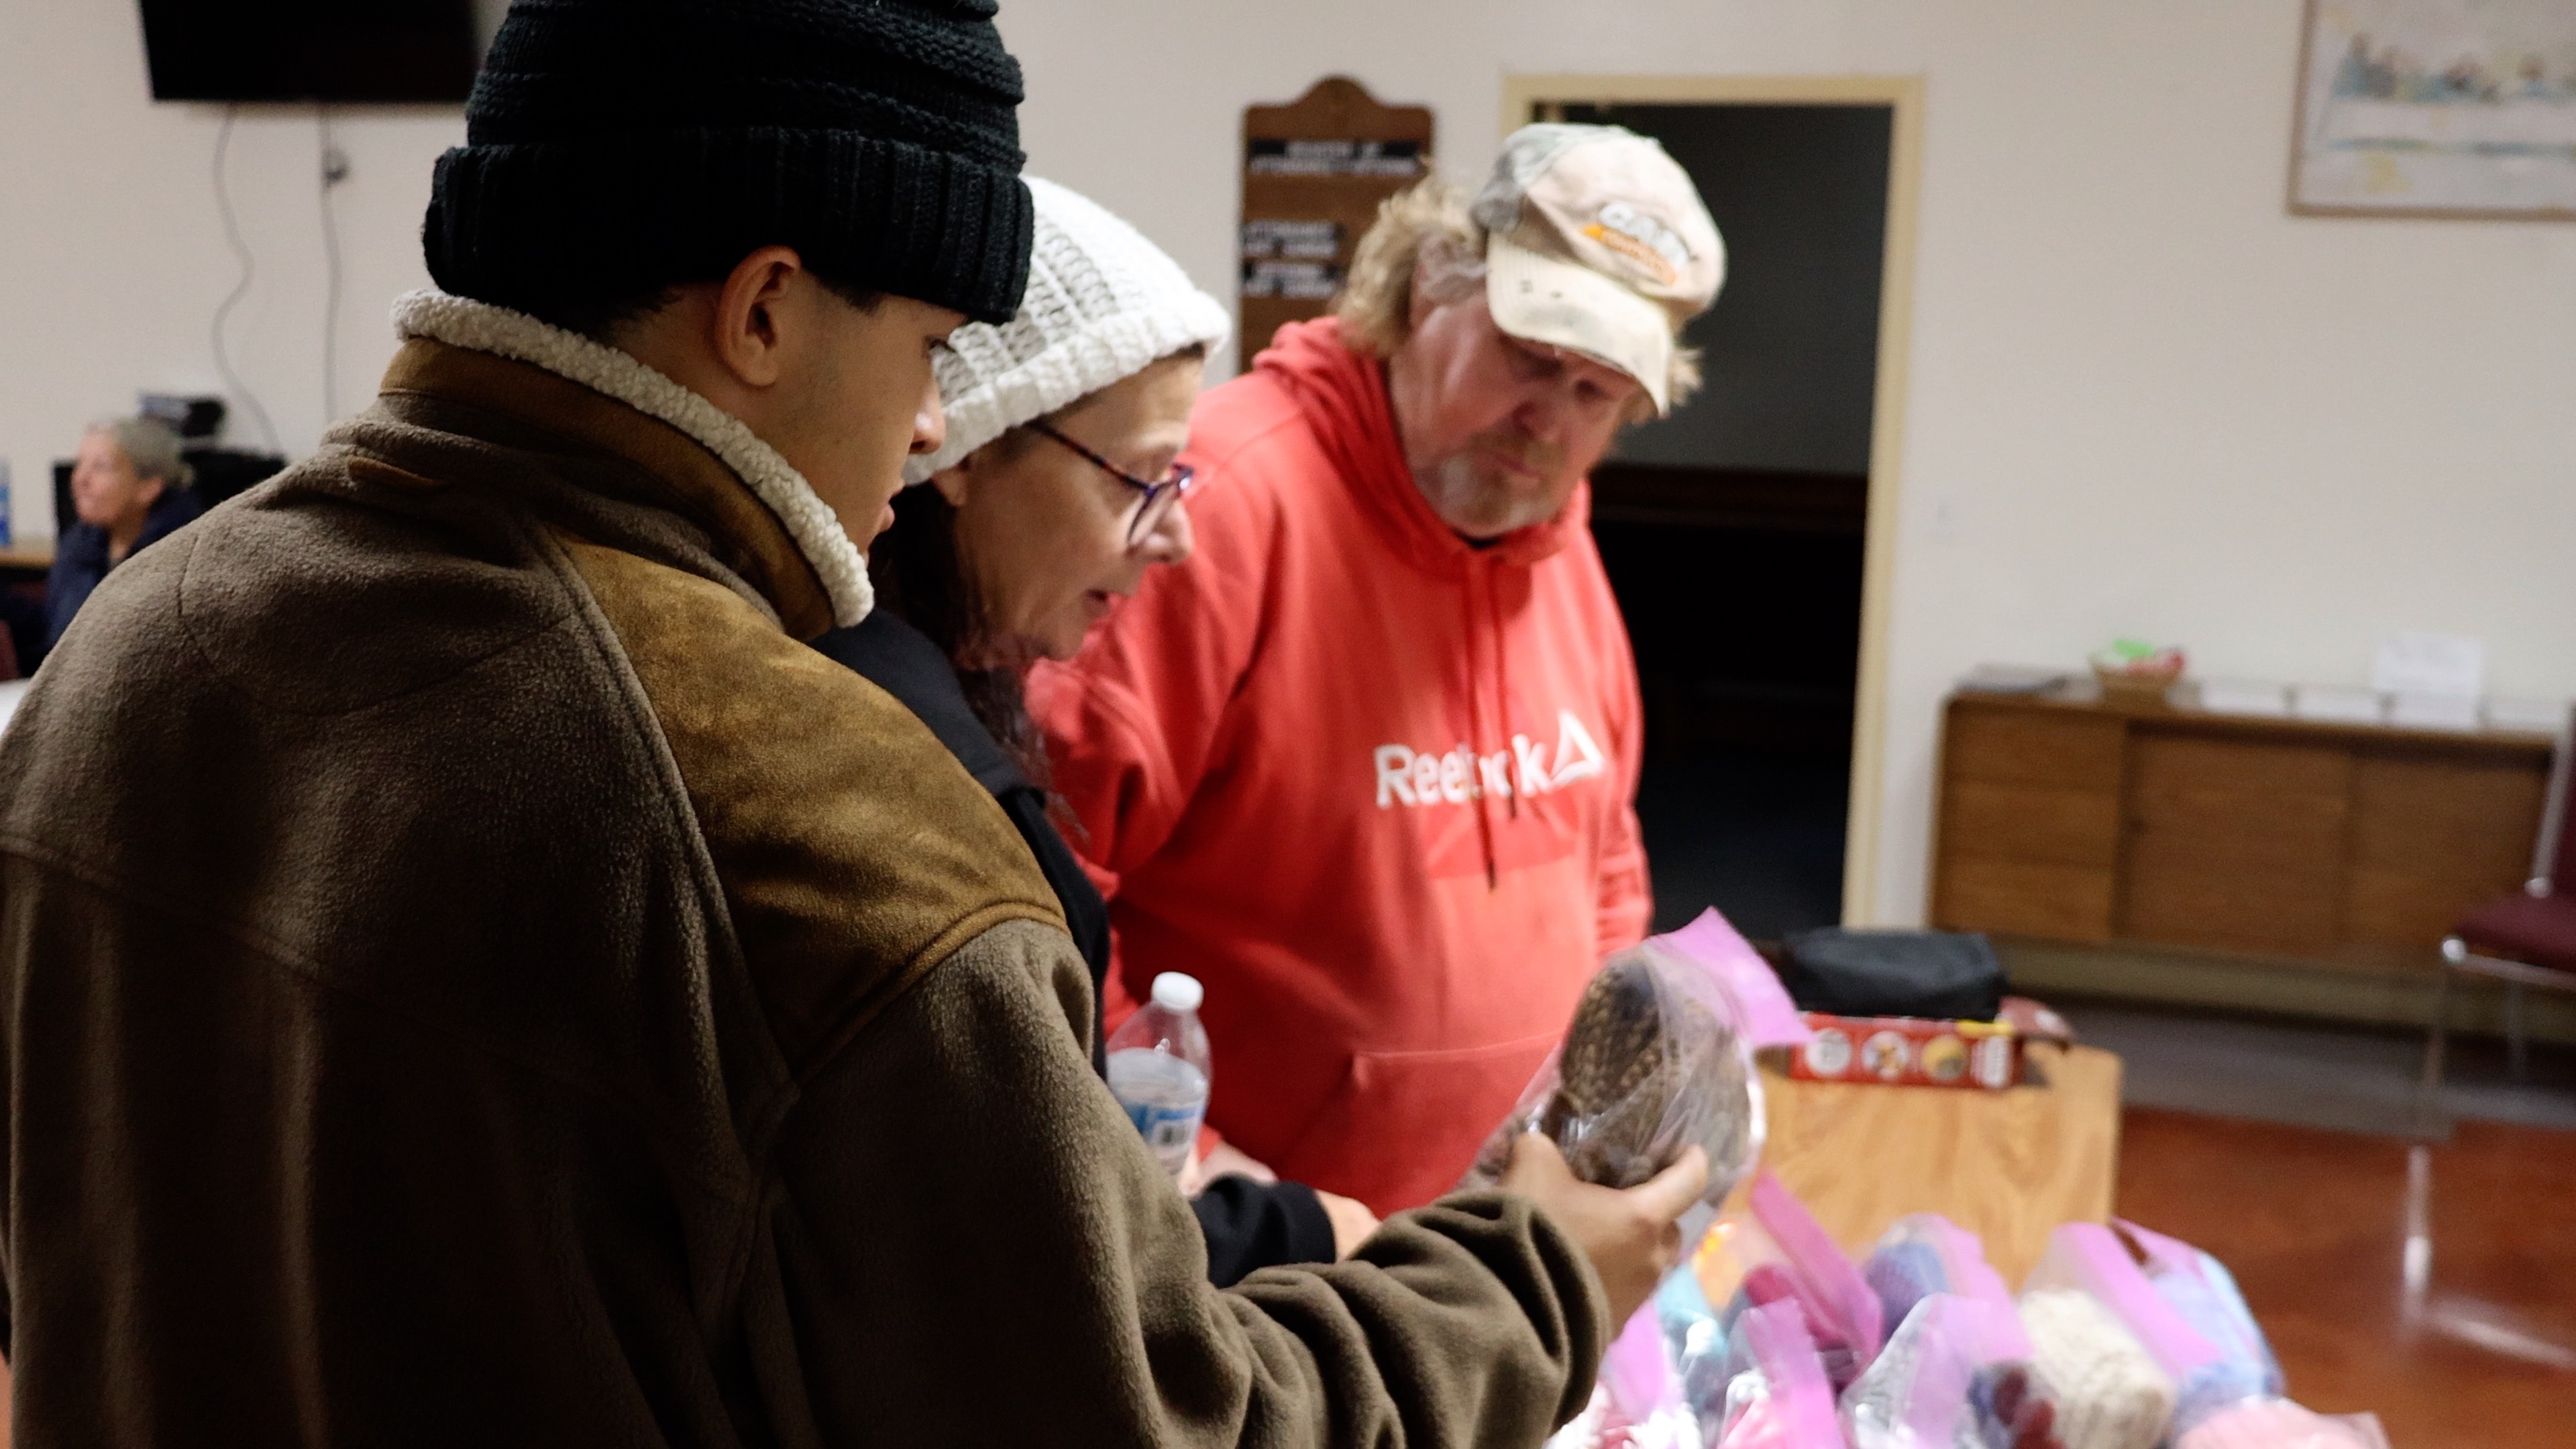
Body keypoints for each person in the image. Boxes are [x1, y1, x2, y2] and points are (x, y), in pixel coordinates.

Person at [0, 7, 1701, 1444]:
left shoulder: (133, 641)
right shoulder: (824, 827)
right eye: (934, 347)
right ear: (762, 311)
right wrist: (1539, 1272)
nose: (929, 429)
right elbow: (1165, 1421)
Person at [1034, 124, 1727, 1216]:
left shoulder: (1554, 539)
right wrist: (1198, 1175)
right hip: (1267, 1253)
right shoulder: (1223, 505)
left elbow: (1602, 862)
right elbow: (1040, 893)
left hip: (1495, 1251)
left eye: (1596, 394)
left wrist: (1604, 1127)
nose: (1548, 420)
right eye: (1532, 357)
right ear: (1426, 289)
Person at [807, 176, 1382, 1286]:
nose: (1175, 539)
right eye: (1140, 479)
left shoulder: (940, 688)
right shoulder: (906, 772)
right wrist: (1300, 1234)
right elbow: (1016, 1226)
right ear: (962, 449)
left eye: (1182, 479)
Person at [37, 417, 204, 665]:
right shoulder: (78, 543)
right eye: (80, 464)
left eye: (101, 467)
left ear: (148, 488)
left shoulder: (185, 552)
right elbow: (57, 638)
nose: (80, 479)